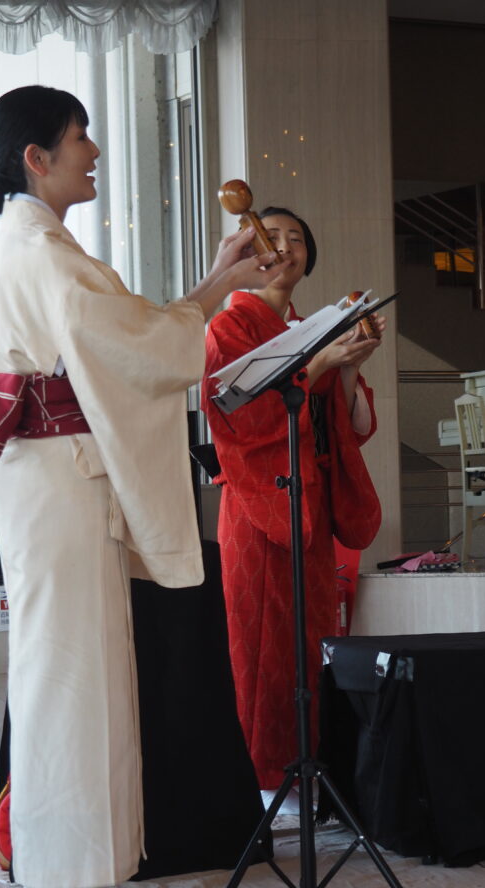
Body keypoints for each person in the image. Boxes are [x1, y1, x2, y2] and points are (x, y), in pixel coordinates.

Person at [0, 85, 282, 888]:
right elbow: (134, 346)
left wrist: (214, 284)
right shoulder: (39, 251)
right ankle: (48, 885)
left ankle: (65, 875)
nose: (94, 151)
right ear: (36, 157)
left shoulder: (40, 246)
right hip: (56, 483)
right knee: (66, 672)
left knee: (83, 669)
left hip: (58, 479)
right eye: (81, 137)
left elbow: (127, 337)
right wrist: (215, 293)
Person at [201, 206, 385, 803]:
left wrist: (349, 368)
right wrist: (317, 366)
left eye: (296, 239)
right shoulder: (229, 328)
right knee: (260, 643)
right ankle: (260, 778)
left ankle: (305, 769)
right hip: (260, 505)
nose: (284, 248)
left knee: (307, 643)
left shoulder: (315, 326)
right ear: (245, 253)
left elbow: (349, 426)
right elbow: (240, 421)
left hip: (308, 505)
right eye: (269, 237)